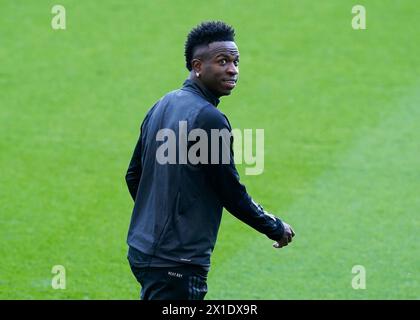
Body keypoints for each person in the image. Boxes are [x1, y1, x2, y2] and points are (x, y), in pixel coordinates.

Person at [125, 21, 295, 300]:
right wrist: (274, 227)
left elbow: (134, 175)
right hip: (177, 261)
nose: (233, 69)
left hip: (143, 250)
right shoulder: (209, 119)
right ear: (198, 66)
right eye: (223, 61)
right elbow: (230, 191)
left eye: (236, 61)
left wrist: (157, 221)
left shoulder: (162, 104)